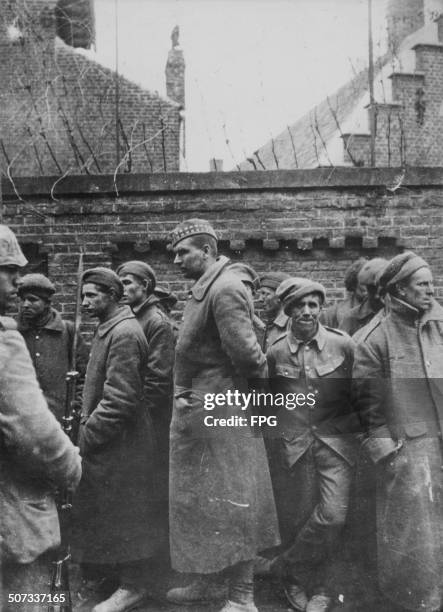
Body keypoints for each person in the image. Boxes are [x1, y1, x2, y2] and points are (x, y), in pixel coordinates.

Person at [167, 219, 280, 612]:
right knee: (203, 499)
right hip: (201, 410)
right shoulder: (206, 289)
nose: (177, 260)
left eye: (184, 253)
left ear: (208, 252)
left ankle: (241, 595)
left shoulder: (226, 288)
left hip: (225, 409)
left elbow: (249, 357)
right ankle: (210, 580)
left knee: (235, 498)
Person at [353, 251, 443, 612]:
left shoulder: (438, 324)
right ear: (399, 288)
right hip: (409, 451)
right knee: (414, 536)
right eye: (422, 284)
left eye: (431, 283)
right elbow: (364, 406)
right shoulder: (373, 339)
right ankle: (417, 601)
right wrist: (388, 454)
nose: (430, 290)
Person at [72, 267, 164, 612]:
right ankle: (117, 580)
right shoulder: (109, 328)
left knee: (128, 515)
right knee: (111, 513)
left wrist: (87, 436)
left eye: (92, 295)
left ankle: (134, 587)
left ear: (112, 296)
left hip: (123, 443)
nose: (84, 302)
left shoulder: (124, 332)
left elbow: (120, 398)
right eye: (84, 295)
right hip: (111, 442)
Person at [0, 225, 81, 611]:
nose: (16, 282)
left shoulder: (62, 332)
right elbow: (35, 435)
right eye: (8, 270)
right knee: (25, 599)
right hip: (13, 515)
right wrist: (72, 467)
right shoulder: (5, 340)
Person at [267, 277, 357, 612]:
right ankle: (308, 586)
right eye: (299, 306)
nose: (307, 312)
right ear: (289, 310)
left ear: (320, 308)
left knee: (332, 517)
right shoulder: (275, 351)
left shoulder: (343, 344)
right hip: (296, 447)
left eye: (313, 305)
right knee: (300, 518)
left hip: (337, 446)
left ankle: (286, 566)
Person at [116, 260, 174, 549]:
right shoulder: (130, 318)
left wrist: (143, 424)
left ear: (145, 286)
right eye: (120, 282)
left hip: (149, 422)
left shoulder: (156, 321)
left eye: (127, 283)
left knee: (150, 492)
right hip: (132, 418)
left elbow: (158, 379)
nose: (121, 288)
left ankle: (152, 569)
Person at [17, 273, 88, 424]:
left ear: (47, 302)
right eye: (22, 299)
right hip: (24, 420)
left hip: (60, 417)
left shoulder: (68, 331)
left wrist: (76, 405)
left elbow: (83, 376)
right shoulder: (15, 334)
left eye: (32, 299)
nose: (25, 305)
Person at [341, 257, 388, 336]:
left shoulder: (399, 315)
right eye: (372, 289)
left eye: (382, 290)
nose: (376, 296)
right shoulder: (351, 318)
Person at [320, 258, 367, 329]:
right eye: (364, 281)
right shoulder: (331, 315)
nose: (370, 287)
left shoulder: (384, 314)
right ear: (354, 283)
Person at [228, 262, 266, 348]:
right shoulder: (217, 325)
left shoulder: (261, 329)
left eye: (245, 288)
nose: (240, 294)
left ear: (253, 294)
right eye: (235, 288)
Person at [258, 271, 290, 349]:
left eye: (265, 294)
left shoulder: (291, 325)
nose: (260, 299)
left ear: (280, 296)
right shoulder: (271, 323)